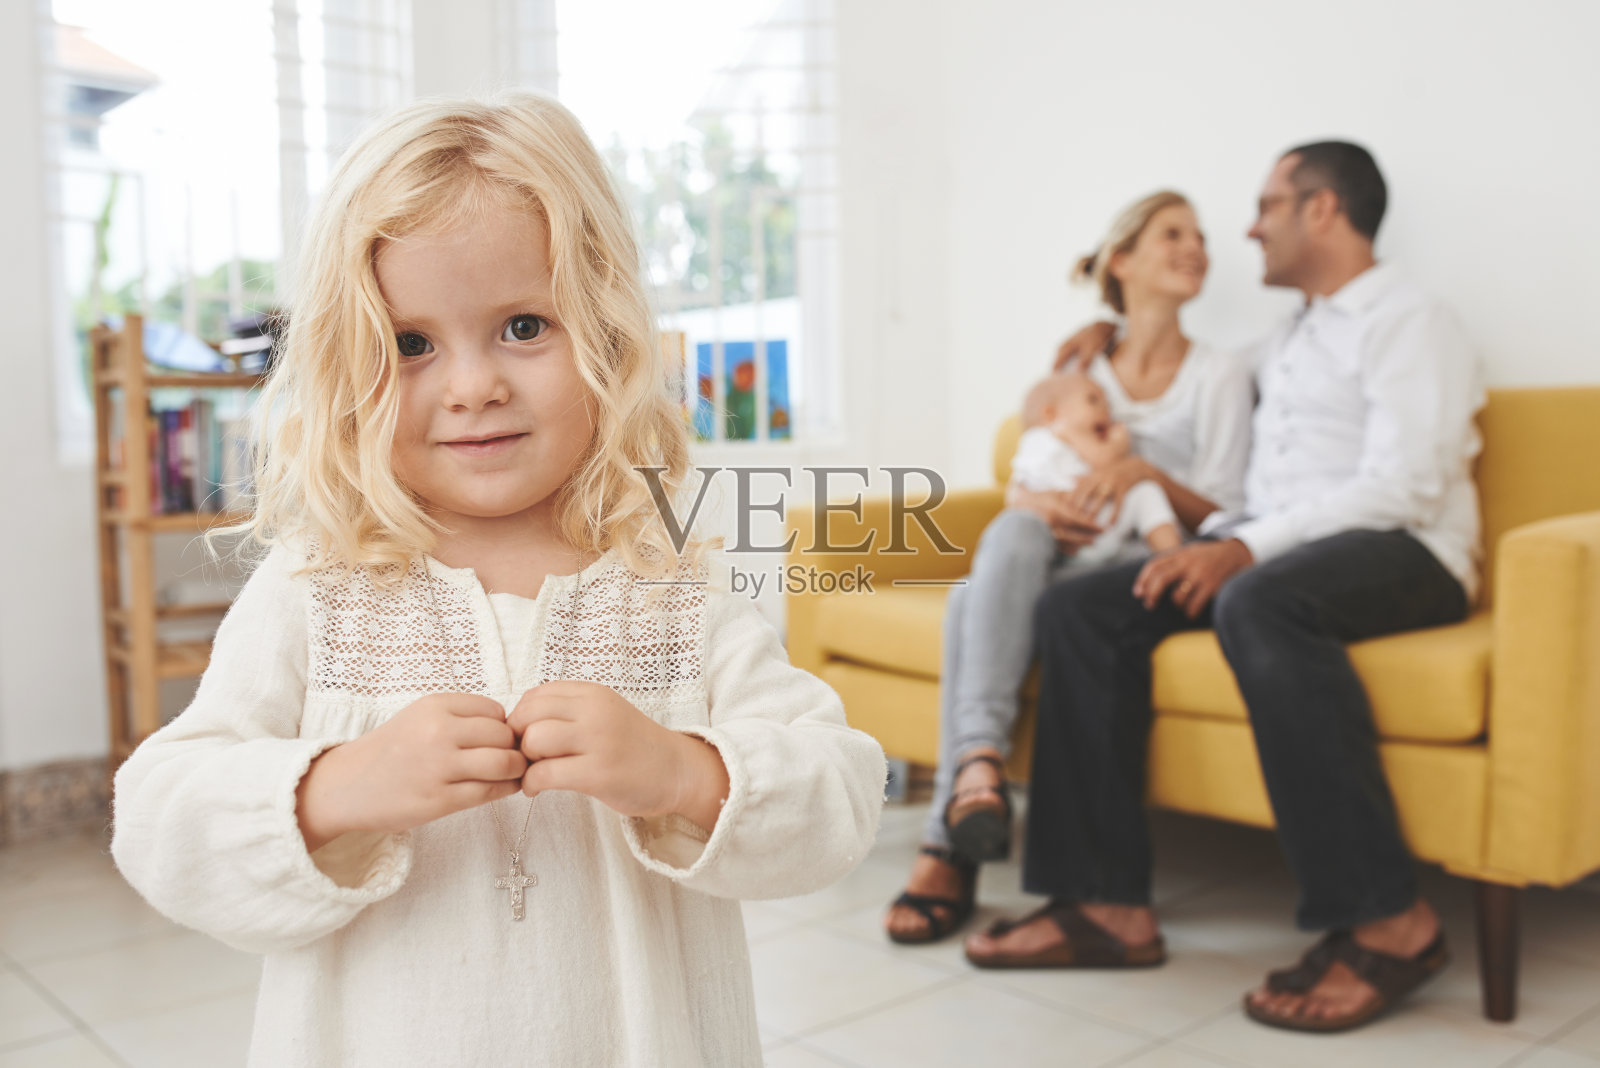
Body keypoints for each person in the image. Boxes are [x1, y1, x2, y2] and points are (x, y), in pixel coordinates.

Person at [109, 92, 887, 1067]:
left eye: (523, 325)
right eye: (410, 344)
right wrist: (338, 787)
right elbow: (158, 820)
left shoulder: (674, 583)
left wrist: (685, 771)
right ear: (349, 363)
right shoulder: (319, 587)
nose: (472, 385)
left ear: (604, 334)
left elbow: (842, 796)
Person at [966, 142, 1482, 1035]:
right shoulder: (1285, 340)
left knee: (1256, 599)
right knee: (1080, 610)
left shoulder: (1410, 318)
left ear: (1322, 209)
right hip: (1284, 553)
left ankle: (1390, 921)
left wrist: (1243, 551)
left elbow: (1409, 485)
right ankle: (1104, 905)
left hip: (1408, 552)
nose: (1251, 228)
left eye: (1268, 205)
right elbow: (1172, 373)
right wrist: (1103, 336)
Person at [884, 190, 1254, 944]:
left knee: (967, 602)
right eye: (1172, 234)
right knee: (1012, 535)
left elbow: (1223, 510)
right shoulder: (1082, 360)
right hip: (1054, 554)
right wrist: (1034, 501)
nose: (1196, 248)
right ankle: (978, 770)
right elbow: (1032, 461)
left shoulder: (1219, 373)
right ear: (1122, 261)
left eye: (1201, 237)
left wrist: (1137, 474)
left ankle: (947, 839)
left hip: (1132, 564)